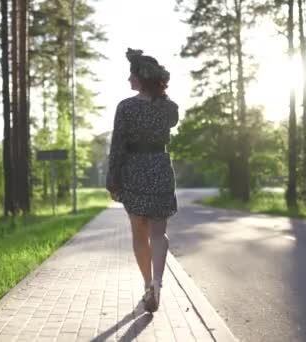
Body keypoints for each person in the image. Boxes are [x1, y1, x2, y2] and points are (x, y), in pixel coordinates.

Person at [106, 48, 179, 313]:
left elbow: (118, 145)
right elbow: (170, 116)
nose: (128, 81)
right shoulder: (169, 108)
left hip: (134, 169)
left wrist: (112, 177)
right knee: (159, 232)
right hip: (160, 167)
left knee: (140, 231)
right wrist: (159, 91)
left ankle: (147, 282)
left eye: (132, 75)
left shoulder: (126, 107)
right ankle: (157, 283)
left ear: (141, 78)